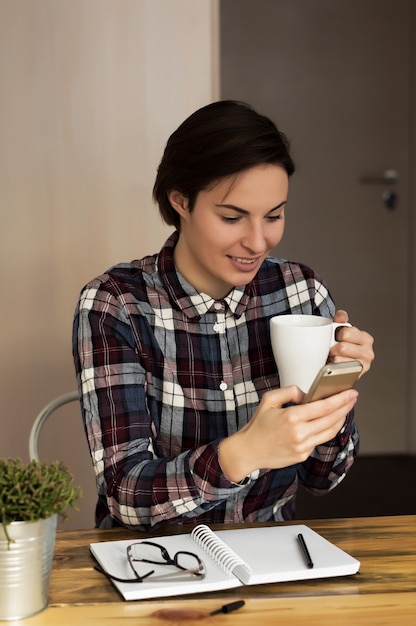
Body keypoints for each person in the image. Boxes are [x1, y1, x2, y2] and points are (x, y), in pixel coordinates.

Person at [73, 100, 374, 530]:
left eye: (274, 215)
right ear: (180, 200)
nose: (257, 241)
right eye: (232, 217)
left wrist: (335, 390)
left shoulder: (301, 292)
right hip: (154, 559)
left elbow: (324, 477)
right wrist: (242, 453)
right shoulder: (116, 304)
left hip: (270, 555)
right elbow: (125, 496)